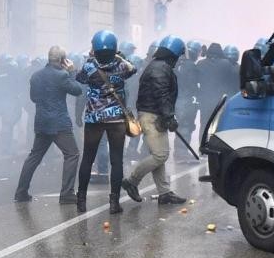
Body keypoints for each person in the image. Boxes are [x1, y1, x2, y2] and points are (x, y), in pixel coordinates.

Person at [75, 31, 138, 214]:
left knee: (87, 158)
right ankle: (114, 203)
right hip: (116, 118)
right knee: (116, 161)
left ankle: (81, 201)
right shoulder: (121, 65)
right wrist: (118, 56)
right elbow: (133, 68)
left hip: (94, 118)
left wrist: (90, 57)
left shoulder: (89, 66)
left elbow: (79, 79)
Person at [13, 46, 83, 204]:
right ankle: (66, 194)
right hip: (59, 124)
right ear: (62, 60)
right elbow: (78, 90)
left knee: (34, 157)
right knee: (72, 154)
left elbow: (33, 98)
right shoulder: (63, 75)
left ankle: (21, 192)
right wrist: (72, 72)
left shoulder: (36, 76)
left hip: (42, 122)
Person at [125, 37, 188, 205]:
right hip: (152, 116)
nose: (179, 60)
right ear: (173, 53)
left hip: (153, 115)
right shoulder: (160, 68)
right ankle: (132, 181)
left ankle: (164, 192)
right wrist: (169, 116)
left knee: (158, 154)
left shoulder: (158, 66)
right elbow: (161, 94)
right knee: (161, 155)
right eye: (179, 56)